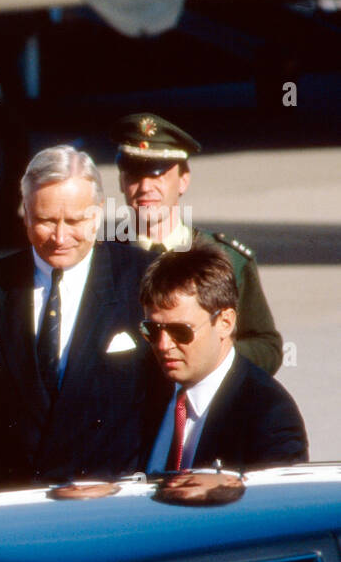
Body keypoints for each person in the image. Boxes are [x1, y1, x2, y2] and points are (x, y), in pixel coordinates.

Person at [0, 146, 158, 494]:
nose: (60, 237)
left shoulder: (142, 277)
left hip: (110, 506)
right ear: (25, 213)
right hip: (14, 506)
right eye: (45, 220)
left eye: (74, 221)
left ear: (97, 214)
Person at [112, 112, 283, 374]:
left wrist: (213, 360)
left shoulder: (227, 258)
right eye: (134, 174)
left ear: (183, 180)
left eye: (158, 174)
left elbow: (266, 347)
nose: (145, 186)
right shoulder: (103, 258)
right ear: (122, 182)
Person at [139, 246, 307, 473]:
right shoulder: (138, 390)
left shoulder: (269, 417)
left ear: (225, 323)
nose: (163, 345)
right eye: (153, 330)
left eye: (180, 332)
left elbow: (279, 506)